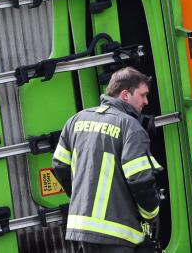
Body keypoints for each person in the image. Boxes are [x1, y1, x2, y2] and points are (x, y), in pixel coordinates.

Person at [53, 67, 162, 253]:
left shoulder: (76, 120)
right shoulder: (130, 127)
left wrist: (82, 197)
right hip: (117, 232)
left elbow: (59, 165)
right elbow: (139, 178)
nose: (146, 101)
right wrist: (151, 214)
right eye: (143, 95)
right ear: (125, 95)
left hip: (82, 229)